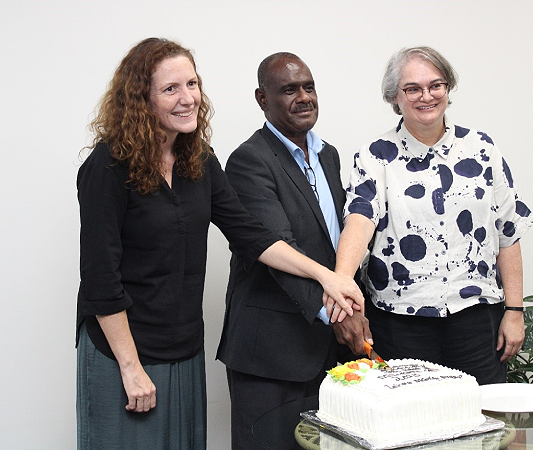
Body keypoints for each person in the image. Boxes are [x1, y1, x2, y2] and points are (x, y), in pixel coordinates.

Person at [76, 38, 363, 450]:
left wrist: (326, 277)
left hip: (183, 345)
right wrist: (130, 366)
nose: (187, 98)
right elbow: (101, 279)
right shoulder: (106, 167)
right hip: (122, 350)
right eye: (171, 89)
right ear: (141, 98)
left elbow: (252, 236)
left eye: (192, 84)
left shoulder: (200, 161)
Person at [326, 46, 533, 385]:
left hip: (476, 319)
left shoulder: (482, 149)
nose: (426, 96)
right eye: (413, 88)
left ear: (448, 89)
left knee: (482, 422)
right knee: (412, 425)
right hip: (400, 324)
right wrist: (342, 285)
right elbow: (360, 220)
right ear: (395, 96)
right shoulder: (375, 156)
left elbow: (507, 232)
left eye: (435, 85)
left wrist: (514, 311)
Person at [216, 52, 370, 449]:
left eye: (309, 86)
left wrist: (351, 307)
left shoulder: (329, 155)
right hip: (270, 353)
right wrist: (336, 312)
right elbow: (278, 251)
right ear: (262, 99)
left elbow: (338, 243)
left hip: (327, 353)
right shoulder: (249, 160)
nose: (303, 97)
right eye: (288, 89)